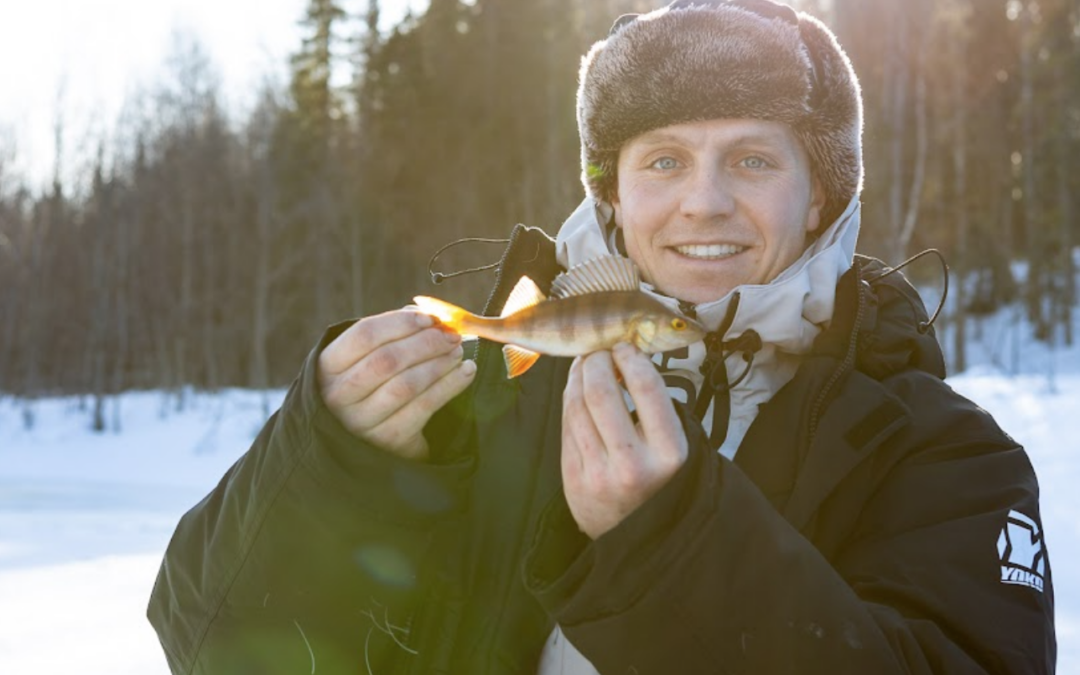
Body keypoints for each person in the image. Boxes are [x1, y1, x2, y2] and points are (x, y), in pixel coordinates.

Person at [147, 0, 1057, 673]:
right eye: (663, 159)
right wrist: (332, 470)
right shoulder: (476, 403)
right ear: (611, 193)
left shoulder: (946, 461)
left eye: (752, 158)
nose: (704, 200)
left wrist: (678, 550)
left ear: (818, 193)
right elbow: (217, 651)